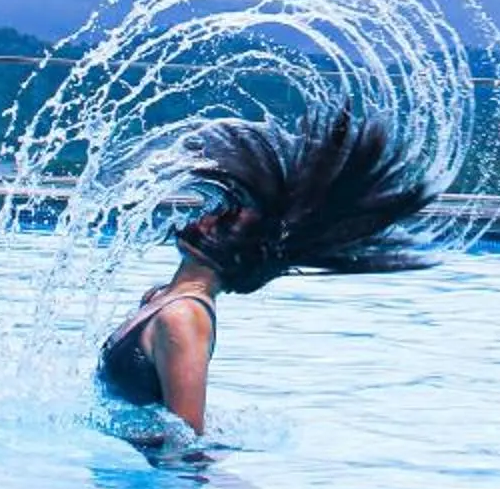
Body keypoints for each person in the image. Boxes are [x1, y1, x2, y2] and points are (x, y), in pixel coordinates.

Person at [98, 110, 439, 440]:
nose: (206, 217)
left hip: (158, 481)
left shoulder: (182, 317)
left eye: (223, 220)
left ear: (232, 252)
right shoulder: (159, 299)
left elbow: (185, 438)